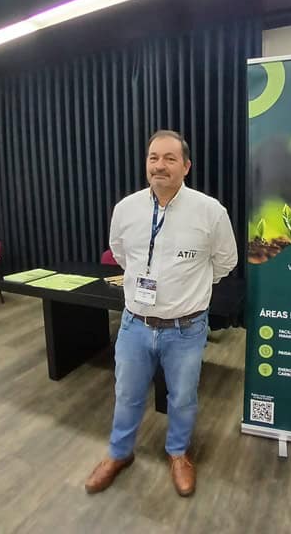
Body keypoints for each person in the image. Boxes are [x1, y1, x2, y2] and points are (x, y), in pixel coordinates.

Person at [85, 130, 238, 497]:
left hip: (186, 329)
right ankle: (119, 453)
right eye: (154, 157)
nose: (160, 165)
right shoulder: (126, 209)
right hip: (134, 324)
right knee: (127, 394)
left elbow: (225, 262)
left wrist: (191, 287)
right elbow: (121, 253)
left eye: (170, 158)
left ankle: (178, 453)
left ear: (186, 166)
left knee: (182, 398)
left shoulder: (210, 211)